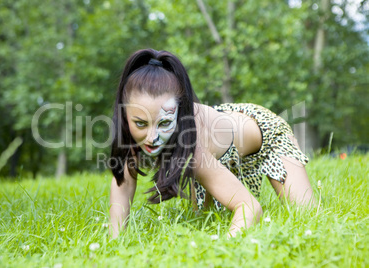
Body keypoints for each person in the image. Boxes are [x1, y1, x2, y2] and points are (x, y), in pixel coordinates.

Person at [109, 48, 315, 239]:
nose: (152, 137)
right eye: (141, 124)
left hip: (264, 133)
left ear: (180, 113)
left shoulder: (195, 150)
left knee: (307, 215)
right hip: (220, 130)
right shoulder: (130, 133)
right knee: (203, 221)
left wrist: (222, 252)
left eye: (164, 123)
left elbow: (250, 208)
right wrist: (114, 241)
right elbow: (123, 183)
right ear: (125, 114)